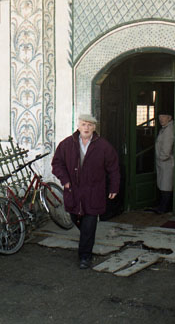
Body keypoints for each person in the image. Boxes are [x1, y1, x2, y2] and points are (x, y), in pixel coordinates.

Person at [51, 114, 120, 269]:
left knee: (89, 223)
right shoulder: (67, 144)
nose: (86, 128)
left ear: (94, 127)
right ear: (78, 126)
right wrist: (65, 180)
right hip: (73, 191)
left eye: (90, 125)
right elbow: (57, 163)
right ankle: (87, 239)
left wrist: (114, 187)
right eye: (83, 124)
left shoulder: (103, 146)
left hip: (93, 192)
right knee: (75, 217)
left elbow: (113, 168)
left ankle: (85, 257)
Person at [155, 113, 174, 213]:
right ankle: (163, 207)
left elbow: (166, 149)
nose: (161, 119)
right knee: (164, 184)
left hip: (167, 163)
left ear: (169, 118)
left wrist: (161, 158)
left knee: (166, 185)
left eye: (163, 116)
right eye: (159, 116)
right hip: (163, 163)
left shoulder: (169, 130)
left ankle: (164, 208)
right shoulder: (164, 129)